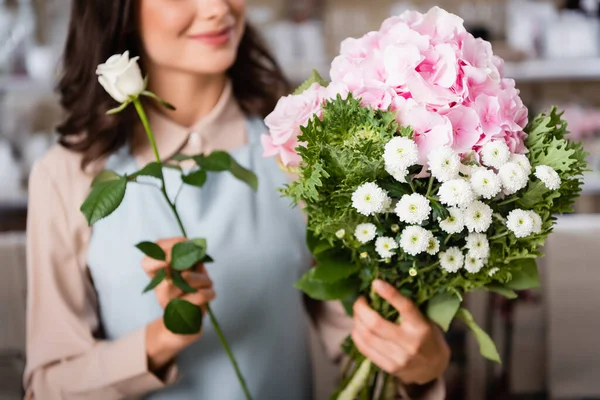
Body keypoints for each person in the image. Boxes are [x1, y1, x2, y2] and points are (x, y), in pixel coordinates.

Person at [23, 1, 450, 399]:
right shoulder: (64, 177)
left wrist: (419, 367)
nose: (217, 8)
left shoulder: (301, 152)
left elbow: (361, 347)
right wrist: (162, 339)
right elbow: (47, 384)